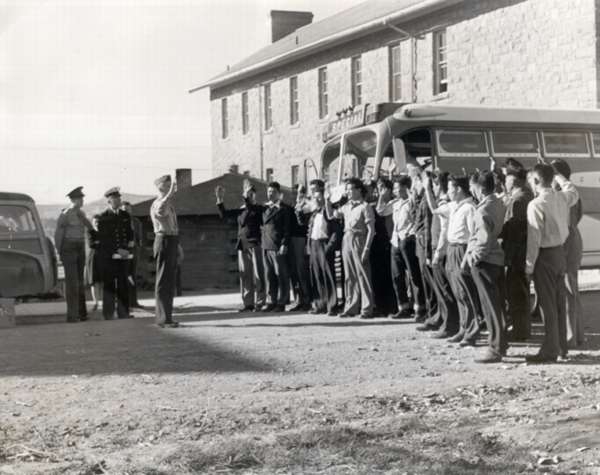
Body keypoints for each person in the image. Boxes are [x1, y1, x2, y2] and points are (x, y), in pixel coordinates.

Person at [525, 164, 578, 363]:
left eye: (531, 180)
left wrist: (529, 267)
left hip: (544, 256)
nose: (530, 183)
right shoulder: (561, 197)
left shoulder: (536, 204)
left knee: (547, 305)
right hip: (560, 254)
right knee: (559, 303)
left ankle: (549, 350)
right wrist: (559, 176)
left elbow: (534, 240)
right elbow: (573, 190)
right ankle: (562, 348)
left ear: (537, 180)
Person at [464, 171, 507, 363]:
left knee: (489, 306)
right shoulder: (496, 203)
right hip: (496, 260)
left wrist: (474, 257)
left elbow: (483, 239)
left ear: (480, 188)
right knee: (497, 305)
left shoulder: (482, 210)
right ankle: (501, 343)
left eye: (472, 187)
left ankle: (495, 348)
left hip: (485, 262)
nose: (470, 190)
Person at [441, 176, 482, 345]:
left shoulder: (469, 208)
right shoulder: (456, 207)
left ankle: (472, 330)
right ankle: (463, 328)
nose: (448, 192)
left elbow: (473, 235)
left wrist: (466, 258)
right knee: (458, 292)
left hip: (462, 250)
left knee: (466, 292)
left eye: (450, 188)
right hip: (452, 248)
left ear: (458, 189)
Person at [326, 178, 375, 318]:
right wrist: (327, 200)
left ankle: (366, 309)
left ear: (359, 189)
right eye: (346, 190)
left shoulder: (365, 206)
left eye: (350, 189)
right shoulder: (346, 206)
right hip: (347, 239)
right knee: (349, 276)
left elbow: (371, 230)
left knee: (362, 275)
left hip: (360, 239)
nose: (348, 192)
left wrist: (366, 248)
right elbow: (330, 215)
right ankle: (351, 307)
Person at [215, 180, 266, 312]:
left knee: (258, 275)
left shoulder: (259, 209)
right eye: (248, 193)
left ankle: (260, 303)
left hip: (256, 244)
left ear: (254, 195)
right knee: (245, 276)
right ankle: (248, 304)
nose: (249, 195)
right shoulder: (241, 210)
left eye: (251, 193)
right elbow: (224, 215)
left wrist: (246, 198)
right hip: (243, 245)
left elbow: (251, 208)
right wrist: (219, 199)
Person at [551, 159, 584, 348]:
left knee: (567, 289)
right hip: (573, 239)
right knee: (572, 288)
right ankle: (577, 334)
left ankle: (571, 337)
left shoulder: (562, 195)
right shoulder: (572, 194)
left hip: (565, 241)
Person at [500, 159, 533, 341]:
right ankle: (522, 329)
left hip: (516, 255)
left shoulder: (519, 200)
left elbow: (514, 232)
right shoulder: (523, 195)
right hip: (520, 253)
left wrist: (508, 258)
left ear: (515, 180)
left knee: (517, 292)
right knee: (520, 291)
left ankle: (521, 331)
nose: (505, 182)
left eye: (507, 178)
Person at [424, 172, 459, 338]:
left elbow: (444, 230)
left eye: (435, 184)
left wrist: (438, 252)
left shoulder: (445, 202)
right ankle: (447, 322)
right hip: (439, 248)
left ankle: (450, 325)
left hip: (442, 250)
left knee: (445, 290)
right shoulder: (444, 202)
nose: (433, 187)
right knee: (442, 290)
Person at [300, 179, 340, 315]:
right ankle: (319, 304)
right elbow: (305, 225)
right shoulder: (313, 211)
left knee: (328, 275)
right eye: (312, 191)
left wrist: (330, 246)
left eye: (316, 191)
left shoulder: (329, 209)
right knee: (316, 276)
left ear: (323, 192)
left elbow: (335, 230)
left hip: (324, 244)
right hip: (314, 243)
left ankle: (332, 305)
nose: (314, 195)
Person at [54, 186, 94, 323]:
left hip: (80, 247)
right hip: (68, 248)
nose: (82, 201)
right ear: (74, 200)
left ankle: (82, 314)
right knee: (72, 283)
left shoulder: (81, 213)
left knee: (79, 282)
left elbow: (89, 227)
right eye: (80, 199)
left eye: (82, 198)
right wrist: (59, 251)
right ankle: (72, 316)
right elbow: (58, 234)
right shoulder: (65, 214)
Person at [97, 187, 134, 320]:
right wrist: (117, 250)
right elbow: (104, 239)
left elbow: (129, 234)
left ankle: (124, 313)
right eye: (115, 198)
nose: (118, 200)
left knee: (123, 284)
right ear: (109, 201)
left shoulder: (125, 216)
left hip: (123, 256)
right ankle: (108, 313)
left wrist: (128, 248)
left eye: (119, 198)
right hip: (109, 257)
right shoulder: (103, 217)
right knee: (109, 285)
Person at [150, 176, 182, 328]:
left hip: (171, 240)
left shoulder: (169, 204)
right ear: (160, 187)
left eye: (171, 185)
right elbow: (161, 212)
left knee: (169, 281)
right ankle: (162, 319)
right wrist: (169, 194)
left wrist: (178, 246)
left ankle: (167, 317)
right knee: (163, 280)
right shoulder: (159, 203)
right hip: (163, 240)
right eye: (167, 185)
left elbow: (173, 226)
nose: (170, 187)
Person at [261, 182, 291, 312]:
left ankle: (282, 301)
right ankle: (271, 301)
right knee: (269, 275)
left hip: (278, 246)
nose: (270, 194)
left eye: (273, 191)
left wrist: (284, 244)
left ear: (279, 193)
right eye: (268, 191)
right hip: (266, 245)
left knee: (281, 275)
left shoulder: (284, 209)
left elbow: (287, 229)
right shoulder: (264, 208)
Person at [368, 179, 396, 316]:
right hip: (377, 243)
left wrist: (381, 197)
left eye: (382, 188)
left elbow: (381, 211)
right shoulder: (373, 204)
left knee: (390, 276)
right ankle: (379, 306)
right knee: (377, 276)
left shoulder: (393, 203)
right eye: (378, 188)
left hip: (389, 242)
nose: (379, 191)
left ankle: (392, 306)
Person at [289, 184, 312, 312]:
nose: (299, 194)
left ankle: (307, 300)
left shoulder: (307, 206)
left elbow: (304, 223)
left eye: (301, 192)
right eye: (297, 192)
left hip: (301, 240)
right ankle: (298, 299)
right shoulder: (293, 206)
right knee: (294, 272)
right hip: (291, 240)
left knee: (302, 271)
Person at [122, 201, 143, 309]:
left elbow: (139, 236)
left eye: (128, 209)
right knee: (125, 275)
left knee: (133, 275)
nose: (126, 211)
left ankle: (134, 302)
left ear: (131, 210)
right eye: (124, 209)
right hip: (124, 252)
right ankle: (125, 302)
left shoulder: (136, 221)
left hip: (134, 251)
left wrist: (137, 245)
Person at [85, 214, 103, 312]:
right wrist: (99, 242)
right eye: (95, 222)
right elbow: (91, 244)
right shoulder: (90, 231)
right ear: (92, 223)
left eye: (99, 222)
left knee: (102, 281)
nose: (97, 224)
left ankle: (103, 302)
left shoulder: (104, 232)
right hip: (93, 258)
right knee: (94, 281)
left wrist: (98, 242)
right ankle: (96, 302)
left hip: (103, 258)